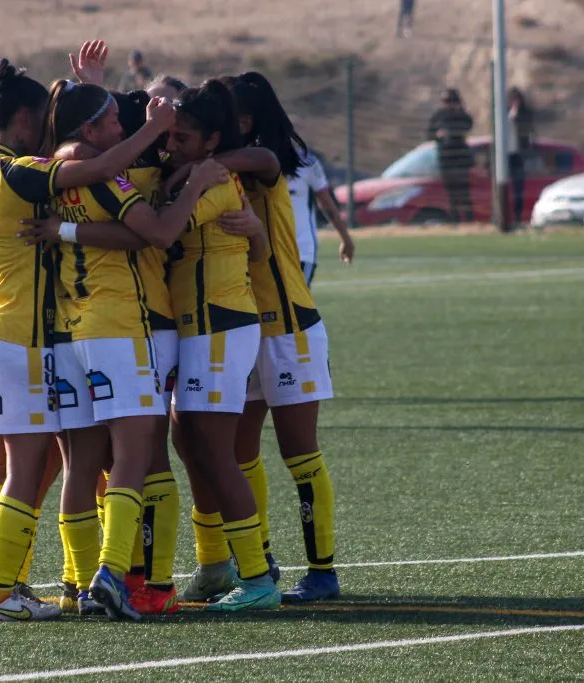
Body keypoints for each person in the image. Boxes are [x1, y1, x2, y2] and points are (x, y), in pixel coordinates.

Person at [0, 57, 181, 623]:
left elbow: (82, 149)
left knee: (10, 466)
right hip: (26, 333)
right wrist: (155, 133)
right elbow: (102, 171)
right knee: (36, 467)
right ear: (28, 118)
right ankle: (24, 590)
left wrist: (92, 89)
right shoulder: (25, 170)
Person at [37, 80, 229, 622]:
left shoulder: (52, 169)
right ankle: (117, 575)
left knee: (82, 463)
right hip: (126, 325)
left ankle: (75, 584)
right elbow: (161, 232)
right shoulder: (113, 176)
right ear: (92, 129)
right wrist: (197, 184)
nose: (129, 129)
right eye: (117, 122)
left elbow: (114, 228)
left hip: (68, 330)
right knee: (139, 456)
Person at [183, 71, 339, 604]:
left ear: (243, 122)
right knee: (238, 452)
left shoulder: (265, 161)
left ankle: (322, 571)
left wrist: (200, 163)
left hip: (289, 327)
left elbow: (265, 161)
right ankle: (262, 560)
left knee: (300, 455)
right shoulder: (218, 172)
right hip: (241, 328)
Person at [164, 79, 279, 613]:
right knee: (190, 444)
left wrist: (193, 178)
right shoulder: (198, 173)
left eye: (182, 139)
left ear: (211, 141)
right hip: (204, 327)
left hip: (218, 326)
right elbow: (253, 253)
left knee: (216, 451)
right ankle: (214, 566)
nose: (172, 148)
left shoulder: (212, 181)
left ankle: (257, 578)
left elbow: (162, 231)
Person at [287, 146, 354, 286]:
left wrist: (345, 239)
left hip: (300, 251)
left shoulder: (306, 162)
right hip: (263, 252)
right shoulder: (250, 160)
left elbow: (326, 203)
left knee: (294, 305)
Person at [427, 89, 474, 223]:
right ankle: (455, 220)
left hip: (460, 159)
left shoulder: (461, 115)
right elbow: (429, 134)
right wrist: (437, 135)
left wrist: (460, 110)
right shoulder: (438, 116)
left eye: (451, 101)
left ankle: (469, 220)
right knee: (451, 195)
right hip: (446, 159)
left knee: (464, 193)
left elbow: (469, 124)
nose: (448, 104)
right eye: (445, 101)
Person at [507, 88, 535, 226]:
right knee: (506, 187)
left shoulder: (524, 115)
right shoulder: (504, 114)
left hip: (518, 155)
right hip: (506, 155)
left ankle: (518, 217)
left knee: (518, 188)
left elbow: (528, 132)